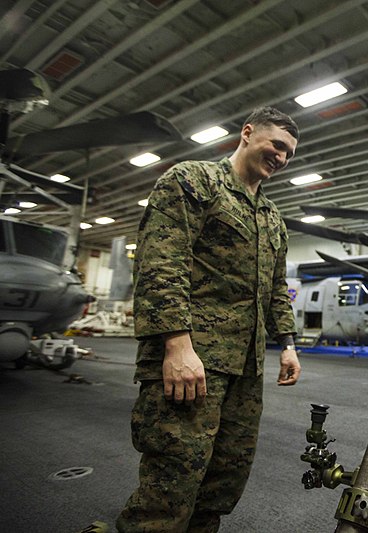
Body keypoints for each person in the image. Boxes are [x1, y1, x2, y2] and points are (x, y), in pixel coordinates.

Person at [116, 105, 302, 532]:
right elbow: (161, 263)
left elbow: (276, 289)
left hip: (245, 370)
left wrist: (288, 345)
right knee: (169, 490)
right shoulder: (193, 181)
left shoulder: (272, 218)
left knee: (220, 488)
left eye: (289, 153)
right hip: (192, 361)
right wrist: (177, 345)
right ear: (247, 133)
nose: (282, 157)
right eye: (276, 145)